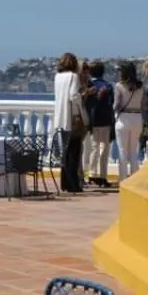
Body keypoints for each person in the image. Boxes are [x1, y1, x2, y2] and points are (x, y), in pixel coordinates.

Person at [53, 53, 86, 192]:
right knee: (74, 152)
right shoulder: (73, 77)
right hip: (72, 118)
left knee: (64, 153)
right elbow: (73, 96)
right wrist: (83, 95)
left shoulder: (57, 77)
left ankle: (65, 183)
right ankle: (73, 184)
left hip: (60, 117)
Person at [83, 60, 114, 187]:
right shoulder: (108, 86)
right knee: (104, 148)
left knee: (94, 147)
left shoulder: (89, 85)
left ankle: (92, 173)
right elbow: (111, 103)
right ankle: (102, 176)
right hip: (105, 119)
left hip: (92, 120)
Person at [113, 61, 145, 180]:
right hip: (137, 118)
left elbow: (116, 105)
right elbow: (143, 104)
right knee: (133, 152)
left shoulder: (119, 86)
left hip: (123, 119)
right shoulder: (140, 86)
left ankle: (123, 179)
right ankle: (134, 179)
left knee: (122, 151)